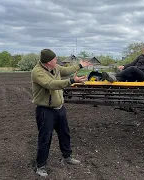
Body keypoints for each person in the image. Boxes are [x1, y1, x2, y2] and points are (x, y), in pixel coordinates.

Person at [31, 49, 92, 177]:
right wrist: (71, 81)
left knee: (65, 134)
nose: (57, 60)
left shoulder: (55, 67)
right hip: (45, 110)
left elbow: (66, 70)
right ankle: (41, 165)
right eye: (54, 59)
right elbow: (51, 84)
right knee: (45, 139)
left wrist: (80, 65)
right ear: (48, 62)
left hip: (59, 108)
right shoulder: (37, 72)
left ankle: (67, 156)